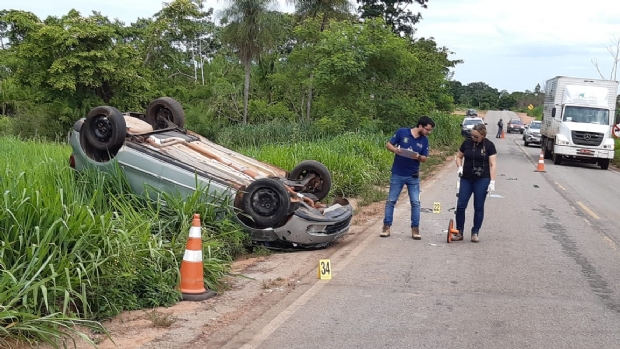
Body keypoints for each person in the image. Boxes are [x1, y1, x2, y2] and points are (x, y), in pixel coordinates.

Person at [381, 116, 435, 240]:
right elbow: (388, 144)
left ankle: (415, 228)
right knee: (391, 201)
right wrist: (396, 150)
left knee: (415, 202)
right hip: (398, 173)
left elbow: (425, 159)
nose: (428, 132)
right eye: (428, 129)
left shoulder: (424, 140)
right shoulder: (402, 132)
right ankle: (386, 226)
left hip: (413, 175)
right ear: (420, 126)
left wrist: (418, 157)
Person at [454, 123, 497, 242]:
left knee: (478, 206)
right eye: (472, 135)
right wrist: (459, 167)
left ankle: (475, 232)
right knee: (461, 205)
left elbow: (493, 164)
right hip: (466, 178)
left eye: (476, 136)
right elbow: (459, 157)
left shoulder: (489, 145)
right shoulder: (467, 143)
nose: (473, 138)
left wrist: (492, 181)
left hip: (482, 179)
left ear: (483, 135)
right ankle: (459, 232)